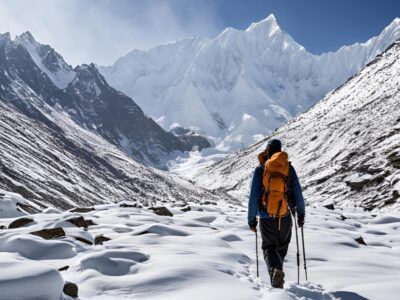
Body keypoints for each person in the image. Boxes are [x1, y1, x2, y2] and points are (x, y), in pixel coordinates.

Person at [247, 139, 305, 288]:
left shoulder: (261, 169)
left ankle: (276, 271)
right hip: (285, 216)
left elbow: (254, 197)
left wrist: (252, 220)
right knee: (282, 247)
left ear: (267, 151)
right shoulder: (289, 169)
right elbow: (298, 193)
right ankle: (278, 273)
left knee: (268, 248)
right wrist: (301, 214)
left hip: (267, 217)